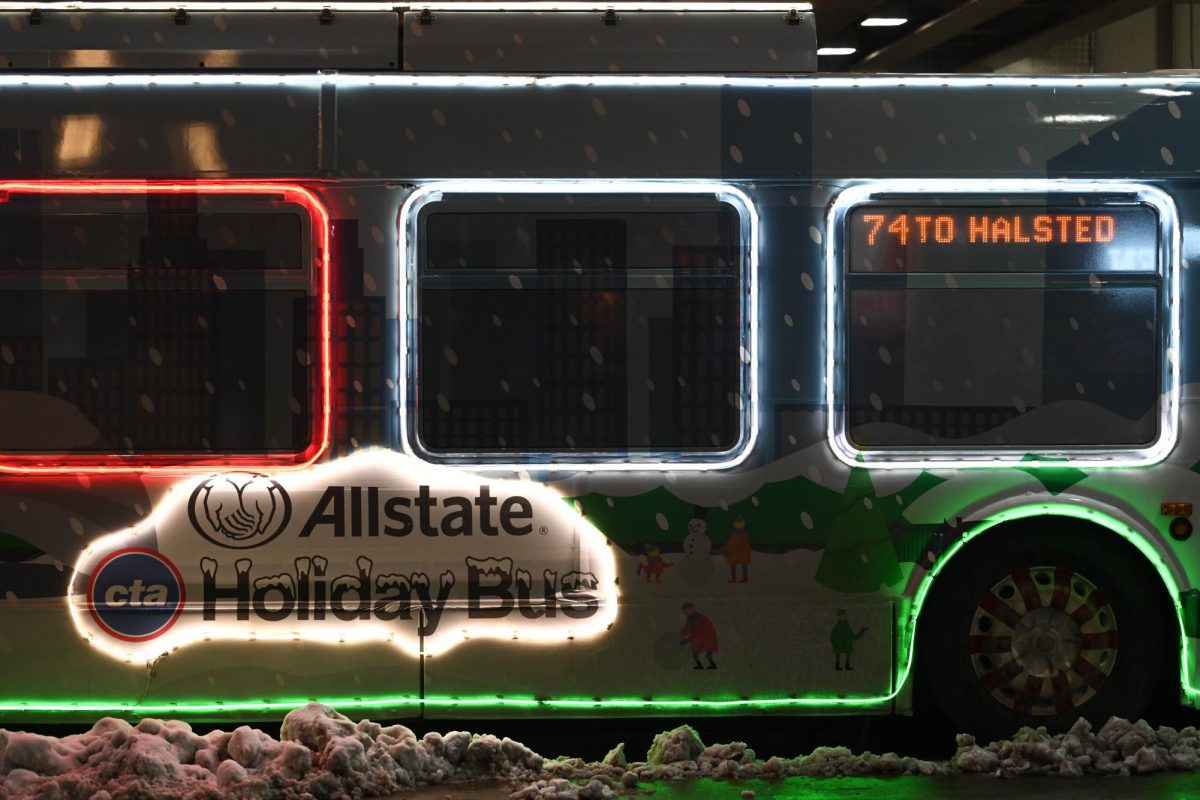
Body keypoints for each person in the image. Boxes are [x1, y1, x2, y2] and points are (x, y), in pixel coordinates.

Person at [679, 601, 717, 669]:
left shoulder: (698, 618)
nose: (684, 613)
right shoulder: (691, 617)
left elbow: (696, 632)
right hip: (701, 639)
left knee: (707, 655)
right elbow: (687, 628)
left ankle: (712, 666)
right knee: (696, 655)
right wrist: (679, 635)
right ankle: (700, 666)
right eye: (684, 611)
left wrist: (686, 640)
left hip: (707, 639)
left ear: (691, 609)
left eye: (685, 611)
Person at [716, 513, 751, 583]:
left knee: (738, 565)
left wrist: (726, 551)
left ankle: (738, 579)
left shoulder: (739, 533)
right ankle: (737, 578)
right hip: (738, 552)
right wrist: (725, 550)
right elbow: (730, 542)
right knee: (737, 564)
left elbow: (732, 543)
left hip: (737, 552)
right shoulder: (741, 533)